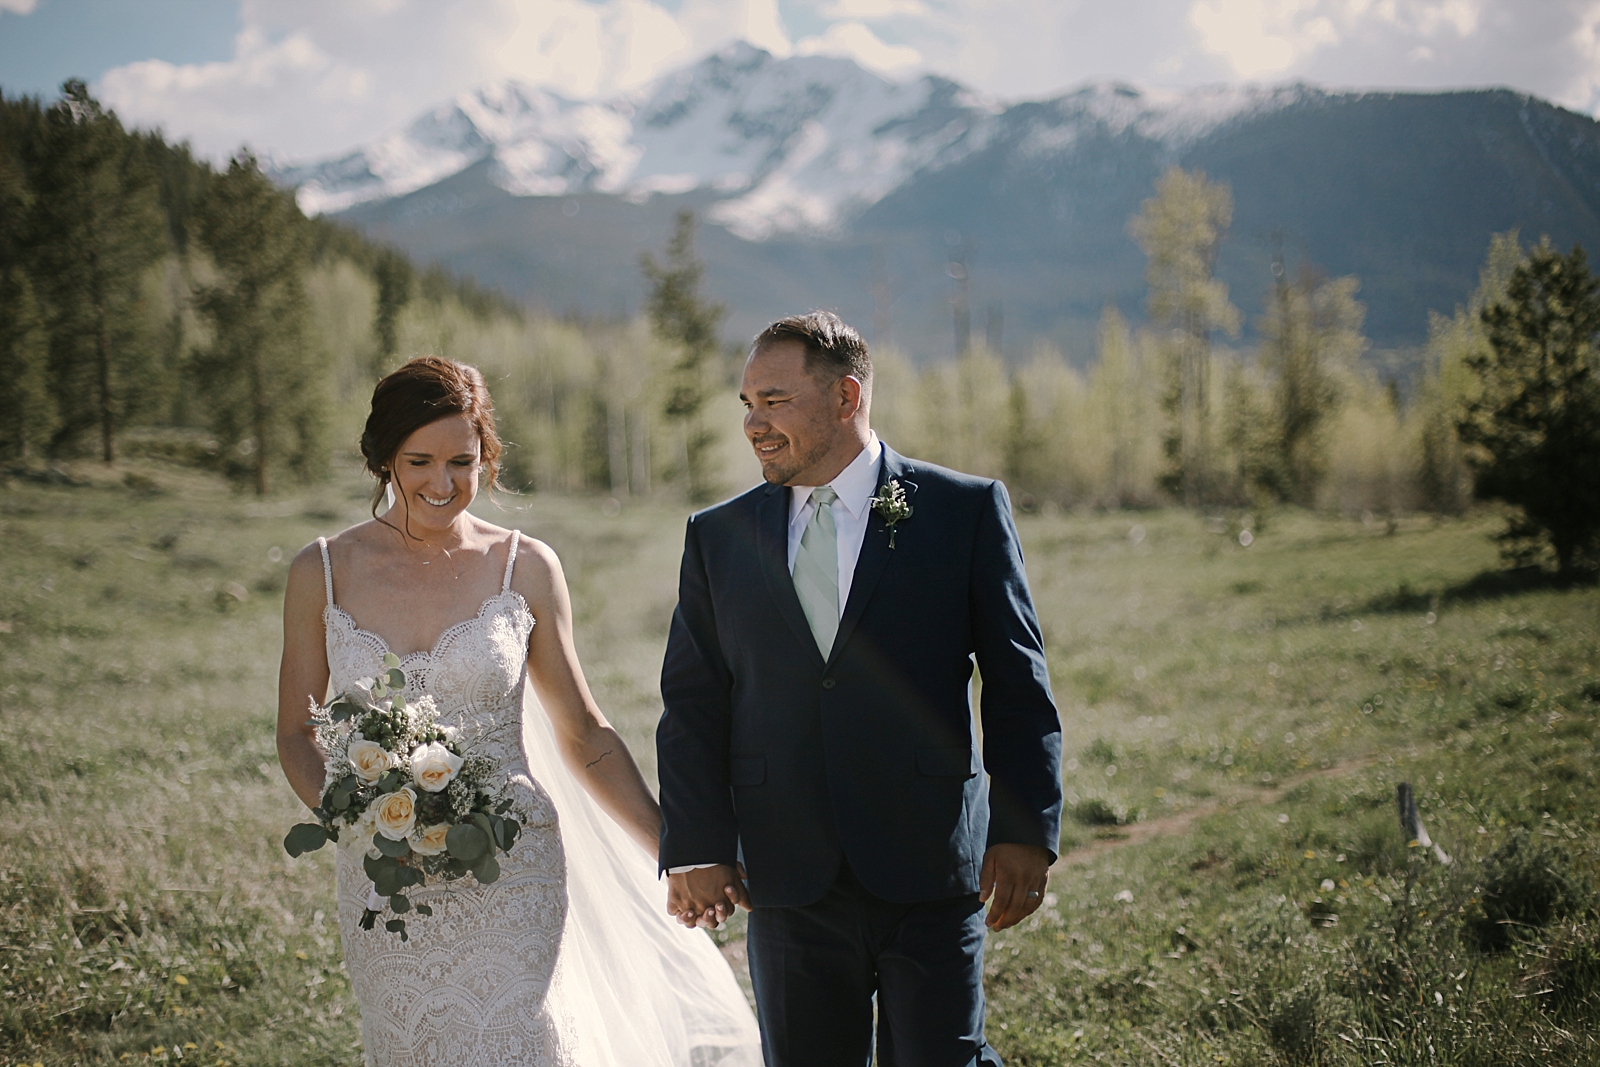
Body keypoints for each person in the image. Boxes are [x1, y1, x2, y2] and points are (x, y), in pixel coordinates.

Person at [276, 356, 760, 1067]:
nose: (442, 484)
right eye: (420, 461)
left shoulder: (524, 566)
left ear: (487, 458)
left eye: (462, 462)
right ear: (382, 457)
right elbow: (296, 732)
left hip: (513, 871)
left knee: (528, 1044)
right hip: (387, 880)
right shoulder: (320, 570)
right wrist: (365, 822)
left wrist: (675, 849)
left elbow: (585, 732)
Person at [656, 312, 1065, 1066]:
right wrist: (698, 842)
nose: (753, 423)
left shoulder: (961, 510)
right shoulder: (716, 536)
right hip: (784, 872)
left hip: (932, 865)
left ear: (846, 398)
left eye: (773, 400)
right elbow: (693, 703)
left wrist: (1025, 827)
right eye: (745, 403)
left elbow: (1015, 678)